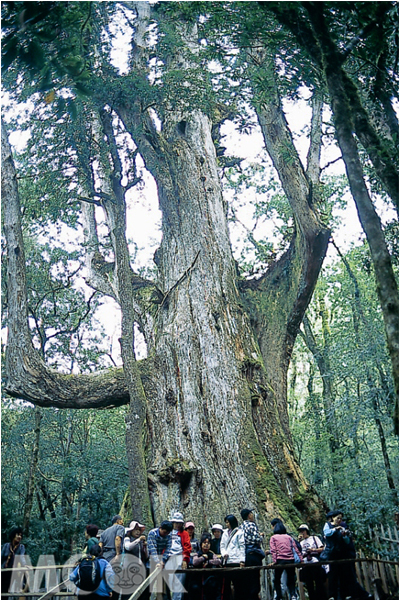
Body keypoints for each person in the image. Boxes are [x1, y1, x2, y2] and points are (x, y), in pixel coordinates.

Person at [322, 510, 372, 600]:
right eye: (337, 518)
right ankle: (332, 595)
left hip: (342, 553)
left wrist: (344, 535)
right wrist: (335, 529)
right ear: (333, 518)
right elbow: (327, 533)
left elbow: (347, 541)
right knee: (333, 574)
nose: (339, 520)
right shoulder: (328, 525)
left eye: (340, 518)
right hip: (332, 553)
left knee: (344, 575)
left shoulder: (343, 526)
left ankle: (346, 595)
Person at [269, 520, 302, 600]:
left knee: (276, 580)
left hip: (280, 560)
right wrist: (301, 559)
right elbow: (295, 549)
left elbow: (273, 550)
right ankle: (293, 595)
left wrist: (274, 561)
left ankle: (279, 596)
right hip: (290, 560)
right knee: (291, 580)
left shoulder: (273, 538)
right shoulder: (289, 537)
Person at [240, 508, 264, 600]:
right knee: (255, 577)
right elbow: (255, 539)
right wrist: (261, 536)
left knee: (248, 577)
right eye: (251, 513)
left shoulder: (241, 526)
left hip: (245, 554)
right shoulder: (251, 525)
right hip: (253, 554)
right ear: (249, 515)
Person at [297, 524, 326, 600]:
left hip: (315, 561)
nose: (302, 533)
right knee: (309, 583)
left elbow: (322, 548)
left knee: (318, 581)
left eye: (303, 531)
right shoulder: (301, 543)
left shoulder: (314, 538)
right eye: (300, 531)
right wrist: (298, 542)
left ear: (307, 531)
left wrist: (313, 550)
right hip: (306, 564)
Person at [190, 533, 222, 600]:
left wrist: (209, 561)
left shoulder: (212, 554)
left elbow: (219, 561)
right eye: (204, 543)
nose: (206, 545)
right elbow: (195, 562)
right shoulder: (197, 554)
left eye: (208, 543)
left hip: (209, 579)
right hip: (198, 579)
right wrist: (203, 558)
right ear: (201, 544)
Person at [220, 514, 245, 600]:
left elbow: (242, 547)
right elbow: (222, 546)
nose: (226, 524)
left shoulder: (239, 532)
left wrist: (242, 560)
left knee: (238, 585)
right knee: (226, 585)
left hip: (236, 561)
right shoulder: (225, 533)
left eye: (227, 522)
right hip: (227, 561)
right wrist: (224, 553)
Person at [167, 512, 191, 600]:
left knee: (179, 584)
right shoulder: (168, 532)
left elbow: (187, 547)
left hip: (179, 558)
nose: (177, 525)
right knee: (168, 583)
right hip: (168, 558)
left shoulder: (184, 534)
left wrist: (185, 559)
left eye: (179, 523)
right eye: (176, 523)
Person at [1, 527, 27, 600]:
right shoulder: (6, 546)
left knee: (21, 588)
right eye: (18, 535)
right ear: (13, 535)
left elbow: (22, 557)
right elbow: (1, 557)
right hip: (5, 572)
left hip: (15, 572)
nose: (20, 537)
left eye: (21, 535)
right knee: (3, 591)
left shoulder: (21, 547)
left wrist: (25, 565)